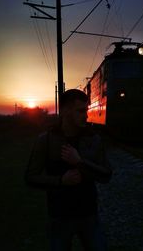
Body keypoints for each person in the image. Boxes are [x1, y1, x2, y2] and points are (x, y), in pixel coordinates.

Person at [25, 89, 112, 251]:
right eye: (80, 111)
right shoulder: (46, 140)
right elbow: (30, 177)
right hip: (59, 217)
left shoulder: (93, 139)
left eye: (86, 110)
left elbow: (106, 175)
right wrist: (60, 181)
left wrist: (79, 162)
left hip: (89, 215)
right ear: (65, 111)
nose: (86, 115)